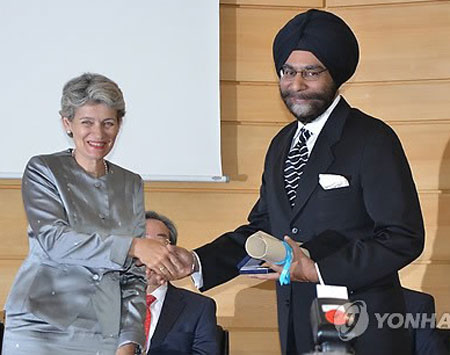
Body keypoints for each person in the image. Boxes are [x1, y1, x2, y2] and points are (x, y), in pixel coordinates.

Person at [174, 9, 425, 355]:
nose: (297, 85)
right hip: (298, 325)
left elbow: (403, 237)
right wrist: (197, 261)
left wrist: (319, 269)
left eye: (311, 73)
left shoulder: (372, 139)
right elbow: (264, 228)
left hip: (362, 329)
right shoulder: (280, 144)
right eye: (288, 72)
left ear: (335, 75)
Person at [2, 73, 184, 355]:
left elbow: (134, 275)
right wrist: (134, 245)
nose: (98, 134)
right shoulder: (44, 170)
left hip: (104, 332)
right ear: (67, 124)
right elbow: (55, 241)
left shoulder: (130, 182)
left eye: (108, 123)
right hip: (41, 328)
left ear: (119, 125)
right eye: (87, 122)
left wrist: (129, 340)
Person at [143, 211, 218, 355]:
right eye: (145, 243)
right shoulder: (101, 300)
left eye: (160, 243)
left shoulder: (199, 307)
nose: (153, 253)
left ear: (173, 253)